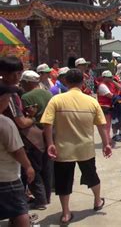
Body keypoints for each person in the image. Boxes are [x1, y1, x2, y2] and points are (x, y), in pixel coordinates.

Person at [40, 69, 112, 224]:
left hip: (63, 149)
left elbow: (47, 123)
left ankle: (66, 213)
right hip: (85, 149)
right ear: (83, 82)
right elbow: (102, 125)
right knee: (92, 176)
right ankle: (97, 201)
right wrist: (106, 144)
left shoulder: (56, 100)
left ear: (66, 81)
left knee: (63, 181)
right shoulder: (91, 101)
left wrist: (50, 144)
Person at [0, 82, 35, 227]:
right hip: (7, 177)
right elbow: (16, 150)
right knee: (20, 211)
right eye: (8, 99)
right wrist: (28, 166)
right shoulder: (4, 123)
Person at [19, 70, 54, 210]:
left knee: (33, 167)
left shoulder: (25, 96)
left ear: (28, 82)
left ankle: (40, 200)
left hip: (34, 135)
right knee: (46, 166)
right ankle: (47, 196)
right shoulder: (48, 93)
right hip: (50, 132)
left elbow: (25, 118)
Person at [97, 70, 121, 141]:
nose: (110, 78)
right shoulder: (102, 85)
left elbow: (119, 87)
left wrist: (113, 81)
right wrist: (119, 98)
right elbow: (110, 96)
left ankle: (107, 138)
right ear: (103, 77)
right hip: (104, 107)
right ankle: (106, 140)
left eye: (110, 77)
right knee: (106, 125)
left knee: (108, 124)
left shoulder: (111, 83)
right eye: (108, 77)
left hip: (110, 106)